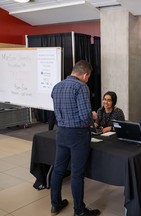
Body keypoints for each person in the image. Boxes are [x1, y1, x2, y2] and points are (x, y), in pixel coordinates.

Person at [50, 60, 101, 216]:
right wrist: (93, 115)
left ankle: (56, 204)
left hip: (61, 132)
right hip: (78, 135)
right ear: (85, 74)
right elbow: (85, 117)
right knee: (77, 174)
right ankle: (79, 211)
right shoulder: (81, 87)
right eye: (88, 77)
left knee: (58, 169)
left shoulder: (57, 86)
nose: (87, 80)